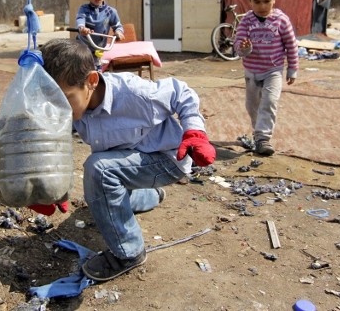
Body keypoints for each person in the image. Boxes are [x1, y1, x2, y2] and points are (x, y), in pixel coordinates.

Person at [40, 38, 216, 282]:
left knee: (99, 171)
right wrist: (48, 190)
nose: (58, 108)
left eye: (64, 99)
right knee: (99, 193)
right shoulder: (73, 104)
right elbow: (54, 145)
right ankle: (151, 196)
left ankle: (129, 252)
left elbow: (181, 92)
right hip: (130, 160)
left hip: (167, 159)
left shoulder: (133, 93)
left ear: (91, 81)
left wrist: (195, 133)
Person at [233, 0, 299, 156]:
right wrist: (243, 49)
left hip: (273, 71)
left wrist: (292, 68)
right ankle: (257, 132)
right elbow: (238, 46)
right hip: (252, 72)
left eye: (267, 1)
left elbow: (291, 45)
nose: (262, 6)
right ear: (250, 1)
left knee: (269, 102)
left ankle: (263, 138)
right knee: (252, 105)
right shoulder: (246, 21)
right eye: (257, 2)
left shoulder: (281, 20)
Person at [75, 0, 125, 70]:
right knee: (82, 71)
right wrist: (82, 28)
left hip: (99, 49)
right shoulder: (84, 9)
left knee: (97, 70)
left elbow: (118, 26)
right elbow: (80, 19)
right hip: (83, 48)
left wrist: (118, 32)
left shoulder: (111, 12)